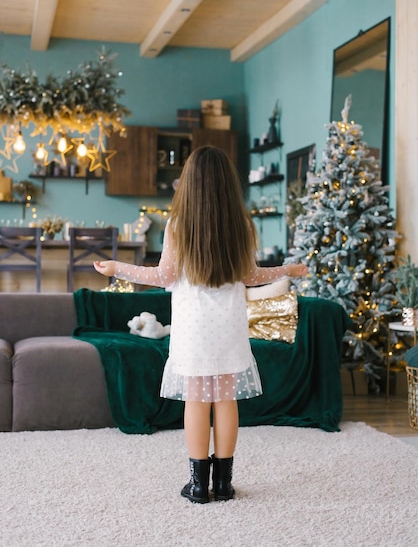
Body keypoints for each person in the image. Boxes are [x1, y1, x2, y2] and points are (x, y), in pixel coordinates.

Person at [94, 146, 307, 504]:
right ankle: (223, 485)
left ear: (188, 184)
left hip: (193, 328)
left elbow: (163, 276)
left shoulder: (178, 226)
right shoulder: (241, 225)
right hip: (229, 327)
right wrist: (287, 270)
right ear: (228, 184)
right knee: (225, 401)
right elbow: (252, 275)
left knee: (196, 401)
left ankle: (197, 486)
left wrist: (118, 268)